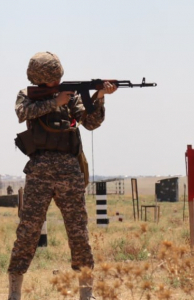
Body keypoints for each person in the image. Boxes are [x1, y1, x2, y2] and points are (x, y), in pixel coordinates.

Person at [8, 52, 117, 300]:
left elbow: (90, 122)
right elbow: (22, 113)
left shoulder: (73, 95)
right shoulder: (27, 95)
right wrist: (54, 102)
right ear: (39, 78)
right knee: (28, 231)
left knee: (78, 231)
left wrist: (99, 97)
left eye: (57, 77)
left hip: (69, 170)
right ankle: (14, 291)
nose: (56, 82)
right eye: (51, 78)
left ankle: (86, 293)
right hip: (39, 171)